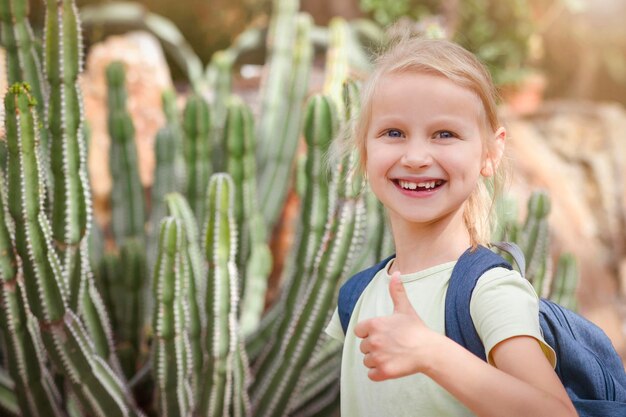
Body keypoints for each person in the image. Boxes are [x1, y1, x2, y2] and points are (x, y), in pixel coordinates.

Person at [324, 31, 578, 417]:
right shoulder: (358, 295)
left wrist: (430, 352)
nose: (415, 156)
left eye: (445, 134)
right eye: (394, 133)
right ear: (363, 150)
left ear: (490, 153)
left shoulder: (489, 292)